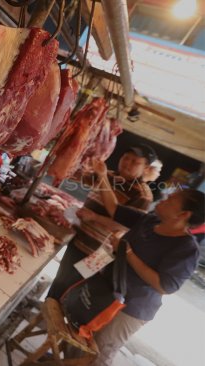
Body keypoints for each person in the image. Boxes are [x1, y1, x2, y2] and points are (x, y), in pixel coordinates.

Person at [74, 159, 203, 365]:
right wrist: (102, 174)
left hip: (130, 308)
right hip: (107, 291)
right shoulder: (150, 220)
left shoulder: (186, 249)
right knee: (78, 338)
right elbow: (113, 208)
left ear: (183, 214)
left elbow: (164, 286)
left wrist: (128, 253)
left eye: (172, 199)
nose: (165, 198)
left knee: (97, 352)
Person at [47, 144, 156, 299]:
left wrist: (94, 217)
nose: (127, 163)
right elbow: (77, 175)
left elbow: (126, 226)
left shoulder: (143, 195)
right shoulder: (110, 175)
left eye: (135, 162)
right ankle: (48, 304)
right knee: (61, 279)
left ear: (146, 168)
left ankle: (53, 314)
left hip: (100, 251)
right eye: (126, 158)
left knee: (72, 288)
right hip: (79, 238)